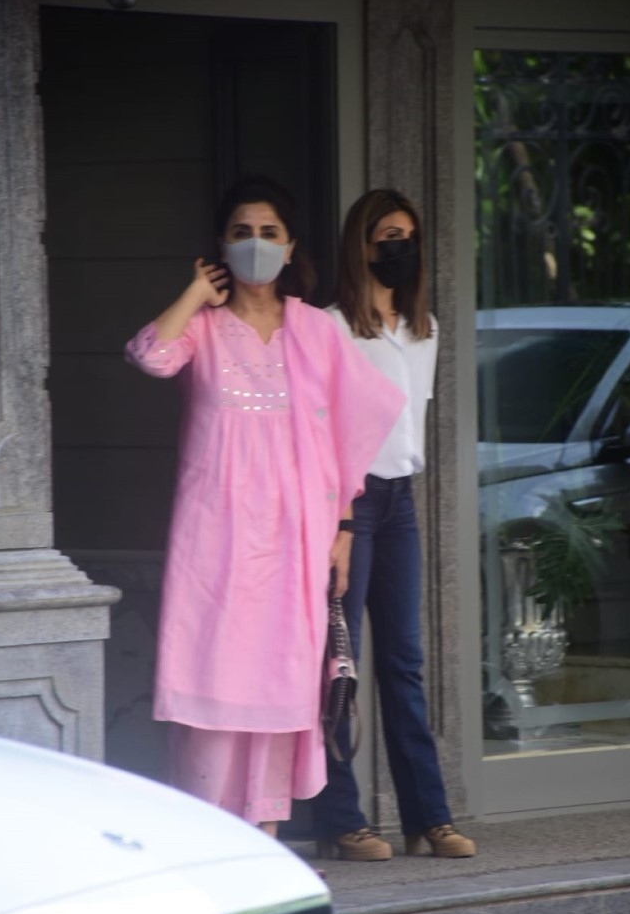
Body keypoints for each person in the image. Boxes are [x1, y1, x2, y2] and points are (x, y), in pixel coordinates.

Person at [124, 176, 405, 837]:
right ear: (220, 245)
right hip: (214, 539)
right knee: (214, 682)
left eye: (268, 232)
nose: (255, 244)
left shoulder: (314, 329)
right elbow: (149, 356)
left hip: (295, 538)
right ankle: (203, 836)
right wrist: (195, 290)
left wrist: (341, 531)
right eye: (241, 233)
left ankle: (264, 844)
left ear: (289, 245)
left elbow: (352, 433)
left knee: (279, 687)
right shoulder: (204, 330)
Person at [312, 189, 476, 861]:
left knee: (403, 663)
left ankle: (426, 816)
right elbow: (322, 432)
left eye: (408, 234)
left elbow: (409, 420)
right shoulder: (329, 327)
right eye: (386, 234)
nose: (399, 245)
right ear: (361, 243)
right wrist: (336, 521)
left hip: (399, 500)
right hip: (346, 506)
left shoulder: (423, 328)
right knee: (338, 666)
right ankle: (340, 820)